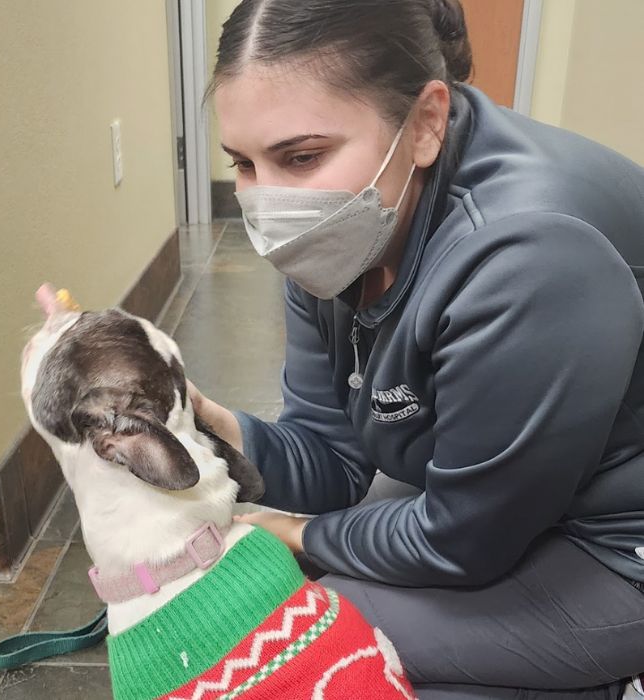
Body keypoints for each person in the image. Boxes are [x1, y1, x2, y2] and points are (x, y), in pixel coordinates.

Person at [190, 0, 644, 697]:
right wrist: (216, 432)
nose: (267, 205)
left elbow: (461, 542)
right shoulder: (342, 233)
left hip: (617, 549)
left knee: (301, 642)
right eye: (243, 164)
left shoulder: (531, 257)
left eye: (302, 157)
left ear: (427, 121)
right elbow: (334, 457)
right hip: (505, 496)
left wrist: (287, 531)